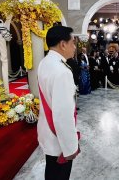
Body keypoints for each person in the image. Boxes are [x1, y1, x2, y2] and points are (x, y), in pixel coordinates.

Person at [37, 26, 80, 180]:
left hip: (47, 132)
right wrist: (70, 148)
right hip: (59, 141)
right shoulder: (62, 71)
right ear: (63, 44)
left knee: (51, 173)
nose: (74, 47)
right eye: (72, 43)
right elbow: (63, 115)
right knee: (59, 175)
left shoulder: (44, 63)